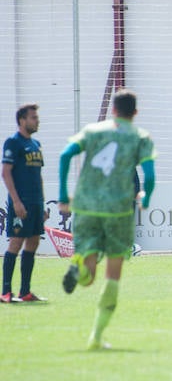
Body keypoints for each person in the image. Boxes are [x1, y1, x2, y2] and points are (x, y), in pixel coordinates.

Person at [59, 89, 155, 350]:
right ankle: (96, 337)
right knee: (112, 276)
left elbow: (65, 155)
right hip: (118, 212)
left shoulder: (92, 131)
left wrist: (62, 194)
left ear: (113, 110)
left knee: (88, 278)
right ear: (135, 113)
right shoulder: (140, 137)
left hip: (87, 208)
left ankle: (78, 264)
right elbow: (149, 173)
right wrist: (145, 198)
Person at [2, 103, 48, 303]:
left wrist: (43, 203)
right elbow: (6, 172)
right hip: (21, 202)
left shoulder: (36, 145)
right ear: (22, 120)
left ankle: (25, 291)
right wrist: (16, 201)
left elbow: (39, 176)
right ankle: (5, 291)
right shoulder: (13, 142)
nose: (37, 121)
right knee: (16, 242)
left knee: (34, 241)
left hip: (36, 203)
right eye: (33, 117)